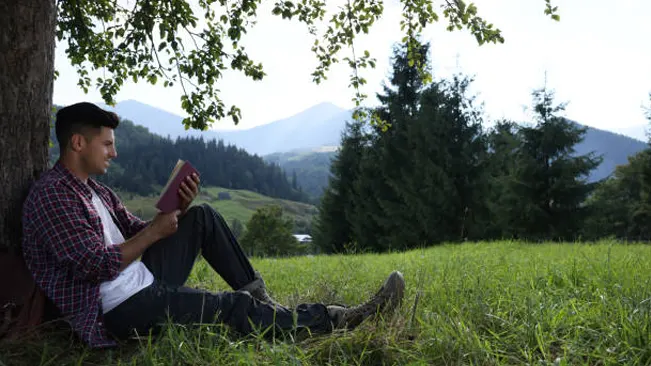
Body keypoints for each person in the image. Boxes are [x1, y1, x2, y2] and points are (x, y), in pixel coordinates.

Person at [21, 102, 405, 348]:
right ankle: (337, 319)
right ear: (77, 143)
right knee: (229, 308)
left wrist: (176, 211)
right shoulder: (54, 195)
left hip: (138, 278)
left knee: (202, 217)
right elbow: (94, 265)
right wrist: (154, 232)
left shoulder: (97, 191)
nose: (114, 152)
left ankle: (261, 300)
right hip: (115, 309)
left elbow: (138, 229)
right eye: (106, 144)